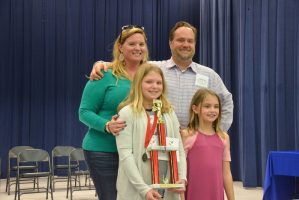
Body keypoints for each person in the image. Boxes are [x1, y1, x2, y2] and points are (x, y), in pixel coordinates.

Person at [89, 21, 234, 132]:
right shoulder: (154, 69)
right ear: (170, 43)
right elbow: (126, 63)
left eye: (190, 41)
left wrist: (216, 131)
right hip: (160, 144)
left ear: (195, 44)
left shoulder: (209, 75)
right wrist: (102, 64)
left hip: (196, 143)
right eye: (180, 40)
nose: (185, 44)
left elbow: (226, 102)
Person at [78, 25, 149, 200]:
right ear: (120, 47)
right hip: (103, 151)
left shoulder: (149, 75)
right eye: (132, 44)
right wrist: (106, 125)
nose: (138, 48)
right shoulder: (104, 75)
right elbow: (84, 112)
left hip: (135, 151)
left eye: (141, 44)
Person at [115, 63, 187, 200]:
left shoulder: (169, 112)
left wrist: (182, 177)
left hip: (166, 183)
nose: (154, 86)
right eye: (149, 82)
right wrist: (144, 189)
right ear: (138, 84)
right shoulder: (127, 113)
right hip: (138, 186)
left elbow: (179, 150)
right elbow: (125, 155)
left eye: (159, 82)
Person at [181, 88, 235, 200]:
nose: (212, 110)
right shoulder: (187, 135)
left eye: (216, 106)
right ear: (195, 109)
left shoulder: (223, 137)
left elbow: (226, 173)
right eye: (207, 106)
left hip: (215, 194)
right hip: (192, 194)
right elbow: (180, 171)